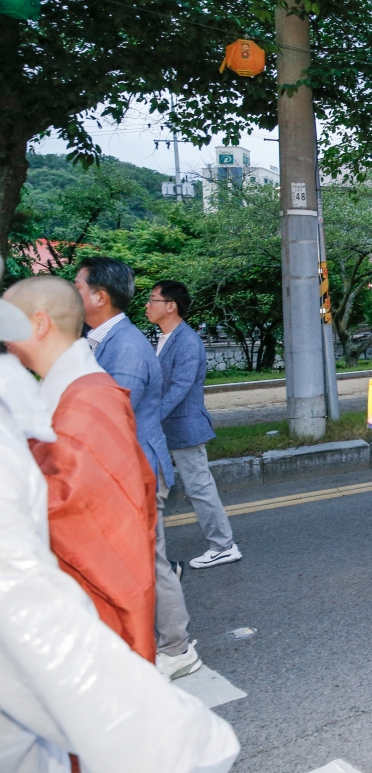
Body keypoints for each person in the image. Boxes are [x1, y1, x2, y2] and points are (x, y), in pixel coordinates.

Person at [0, 301, 241, 773]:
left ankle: (178, 639)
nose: (150, 304)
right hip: (136, 455)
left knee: (157, 550)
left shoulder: (129, 349)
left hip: (148, 451)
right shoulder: (113, 348)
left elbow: (137, 405)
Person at [3, 277, 159, 662]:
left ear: (39, 325)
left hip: (86, 605)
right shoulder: (68, 389)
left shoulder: (88, 399)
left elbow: (76, 511)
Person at [74, 257, 199, 679]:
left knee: (151, 560)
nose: (72, 296)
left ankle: (177, 647)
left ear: (100, 297)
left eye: (78, 287)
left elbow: (113, 415)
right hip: (125, 468)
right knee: (135, 559)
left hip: (137, 468)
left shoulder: (124, 346)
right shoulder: (102, 340)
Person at [145, 280, 240, 569]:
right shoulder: (164, 338)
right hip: (163, 428)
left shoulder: (186, 340)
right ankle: (147, 548)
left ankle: (224, 546)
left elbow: (180, 387)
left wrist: (150, 415)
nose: (147, 306)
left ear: (170, 306)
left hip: (184, 427)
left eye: (152, 300)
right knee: (155, 487)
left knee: (199, 487)